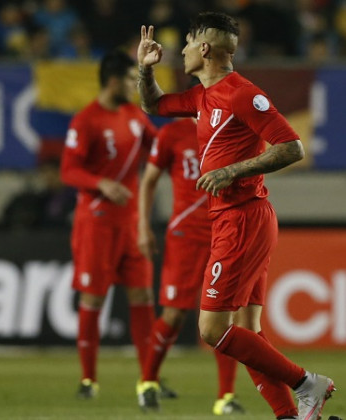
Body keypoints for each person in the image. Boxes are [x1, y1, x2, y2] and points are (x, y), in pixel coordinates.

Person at [137, 12, 335, 420]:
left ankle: (307, 384)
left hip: (243, 218)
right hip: (234, 218)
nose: (183, 51)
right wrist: (145, 69)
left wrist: (232, 170)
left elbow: (292, 148)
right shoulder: (202, 96)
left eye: (188, 43)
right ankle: (288, 415)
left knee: (212, 330)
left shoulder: (242, 94)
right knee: (248, 329)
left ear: (204, 49)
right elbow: (154, 104)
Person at [61, 49, 158, 399]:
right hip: (97, 223)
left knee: (143, 295)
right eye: (132, 80)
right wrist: (100, 183)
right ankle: (88, 380)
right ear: (114, 81)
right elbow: (68, 169)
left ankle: (149, 379)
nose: (136, 86)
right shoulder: (86, 121)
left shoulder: (135, 115)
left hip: (131, 223)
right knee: (94, 298)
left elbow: (158, 147)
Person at [136, 117, 243, 415]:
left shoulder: (231, 127)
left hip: (224, 232)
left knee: (223, 316)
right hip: (185, 235)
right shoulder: (173, 132)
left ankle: (226, 397)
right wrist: (142, 227)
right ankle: (147, 382)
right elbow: (149, 180)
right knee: (174, 314)